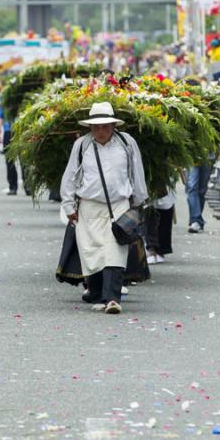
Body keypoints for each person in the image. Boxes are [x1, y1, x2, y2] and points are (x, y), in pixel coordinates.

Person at [60, 102, 148, 314]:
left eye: (105, 126)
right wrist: (68, 204)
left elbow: (136, 171)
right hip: (88, 208)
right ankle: (98, 295)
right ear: (90, 127)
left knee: (114, 251)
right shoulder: (82, 145)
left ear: (113, 125)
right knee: (93, 253)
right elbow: (70, 176)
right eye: (96, 127)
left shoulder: (127, 143)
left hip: (119, 205)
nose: (101, 131)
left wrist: (139, 200)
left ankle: (112, 299)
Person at [0, 99, 27, 195]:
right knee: (10, 160)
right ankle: (13, 186)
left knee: (24, 160)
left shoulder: (23, 101)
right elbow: (0, 117)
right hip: (8, 131)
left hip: (21, 131)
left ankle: (28, 186)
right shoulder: (5, 102)